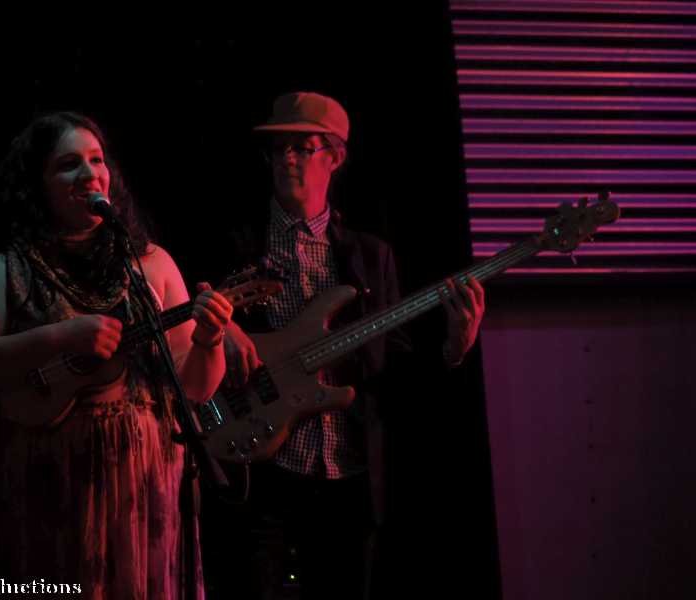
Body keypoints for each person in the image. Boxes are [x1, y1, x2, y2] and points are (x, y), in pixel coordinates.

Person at [0, 111, 231, 599]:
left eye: (96, 160)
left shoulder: (151, 265)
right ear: (37, 185)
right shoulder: (5, 271)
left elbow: (194, 388)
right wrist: (57, 338)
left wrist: (210, 340)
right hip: (45, 498)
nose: (90, 174)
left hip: (145, 498)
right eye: (68, 164)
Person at [199, 92, 486, 599]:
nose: (286, 159)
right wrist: (225, 329)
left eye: (301, 147)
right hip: (263, 466)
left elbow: (392, 365)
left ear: (334, 157)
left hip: (346, 472)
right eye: (278, 149)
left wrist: (454, 348)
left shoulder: (371, 256)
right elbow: (186, 320)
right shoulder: (236, 241)